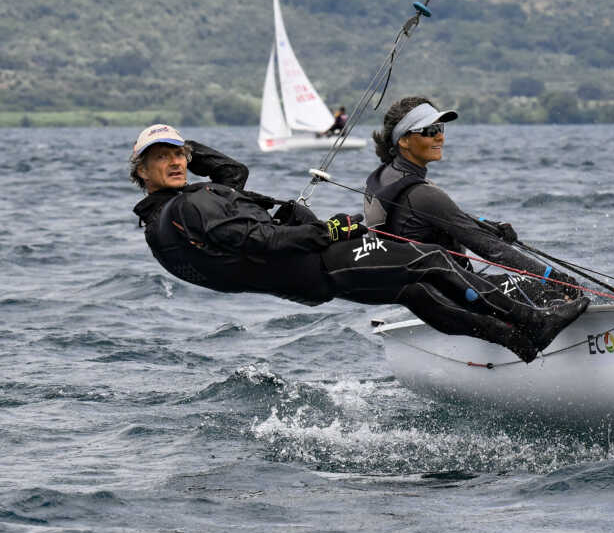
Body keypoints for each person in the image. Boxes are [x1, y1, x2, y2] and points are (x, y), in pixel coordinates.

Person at [129, 124, 588, 363]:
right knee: (428, 259)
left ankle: (513, 342)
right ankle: (532, 321)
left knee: (413, 290)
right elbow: (259, 238)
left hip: (304, 280)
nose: (174, 163)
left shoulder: (163, 223)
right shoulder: (189, 208)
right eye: (161, 158)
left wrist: (185, 145)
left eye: (178, 156)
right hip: (320, 260)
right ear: (141, 173)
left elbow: (233, 178)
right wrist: (329, 231)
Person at [365, 96, 580, 307]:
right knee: (546, 292)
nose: (439, 137)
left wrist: (486, 225)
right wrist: (556, 278)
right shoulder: (423, 193)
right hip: (448, 296)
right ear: (403, 140)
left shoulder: (384, 177)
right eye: (430, 131)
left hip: (415, 295)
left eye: (440, 129)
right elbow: (491, 249)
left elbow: (433, 218)